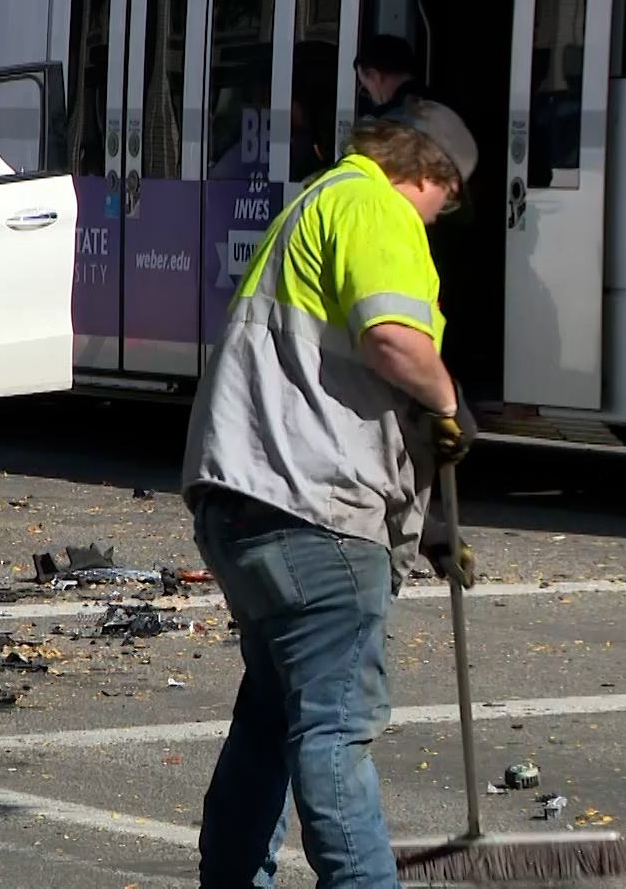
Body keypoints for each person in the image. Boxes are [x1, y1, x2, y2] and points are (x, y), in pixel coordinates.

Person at [182, 97, 482, 888]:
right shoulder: (377, 208)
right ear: (429, 174)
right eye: (444, 202)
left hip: (241, 503)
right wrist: (451, 402)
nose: (437, 218)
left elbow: (336, 378)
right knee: (334, 730)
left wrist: (427, 515)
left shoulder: (315, 203)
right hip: (314, 515)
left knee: (271, 718)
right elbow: (393, 341)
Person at [353, 34, 428, 120]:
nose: (370, 95)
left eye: (365, 88)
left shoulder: (388, 121)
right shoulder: (437, 105)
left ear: (374, 76)